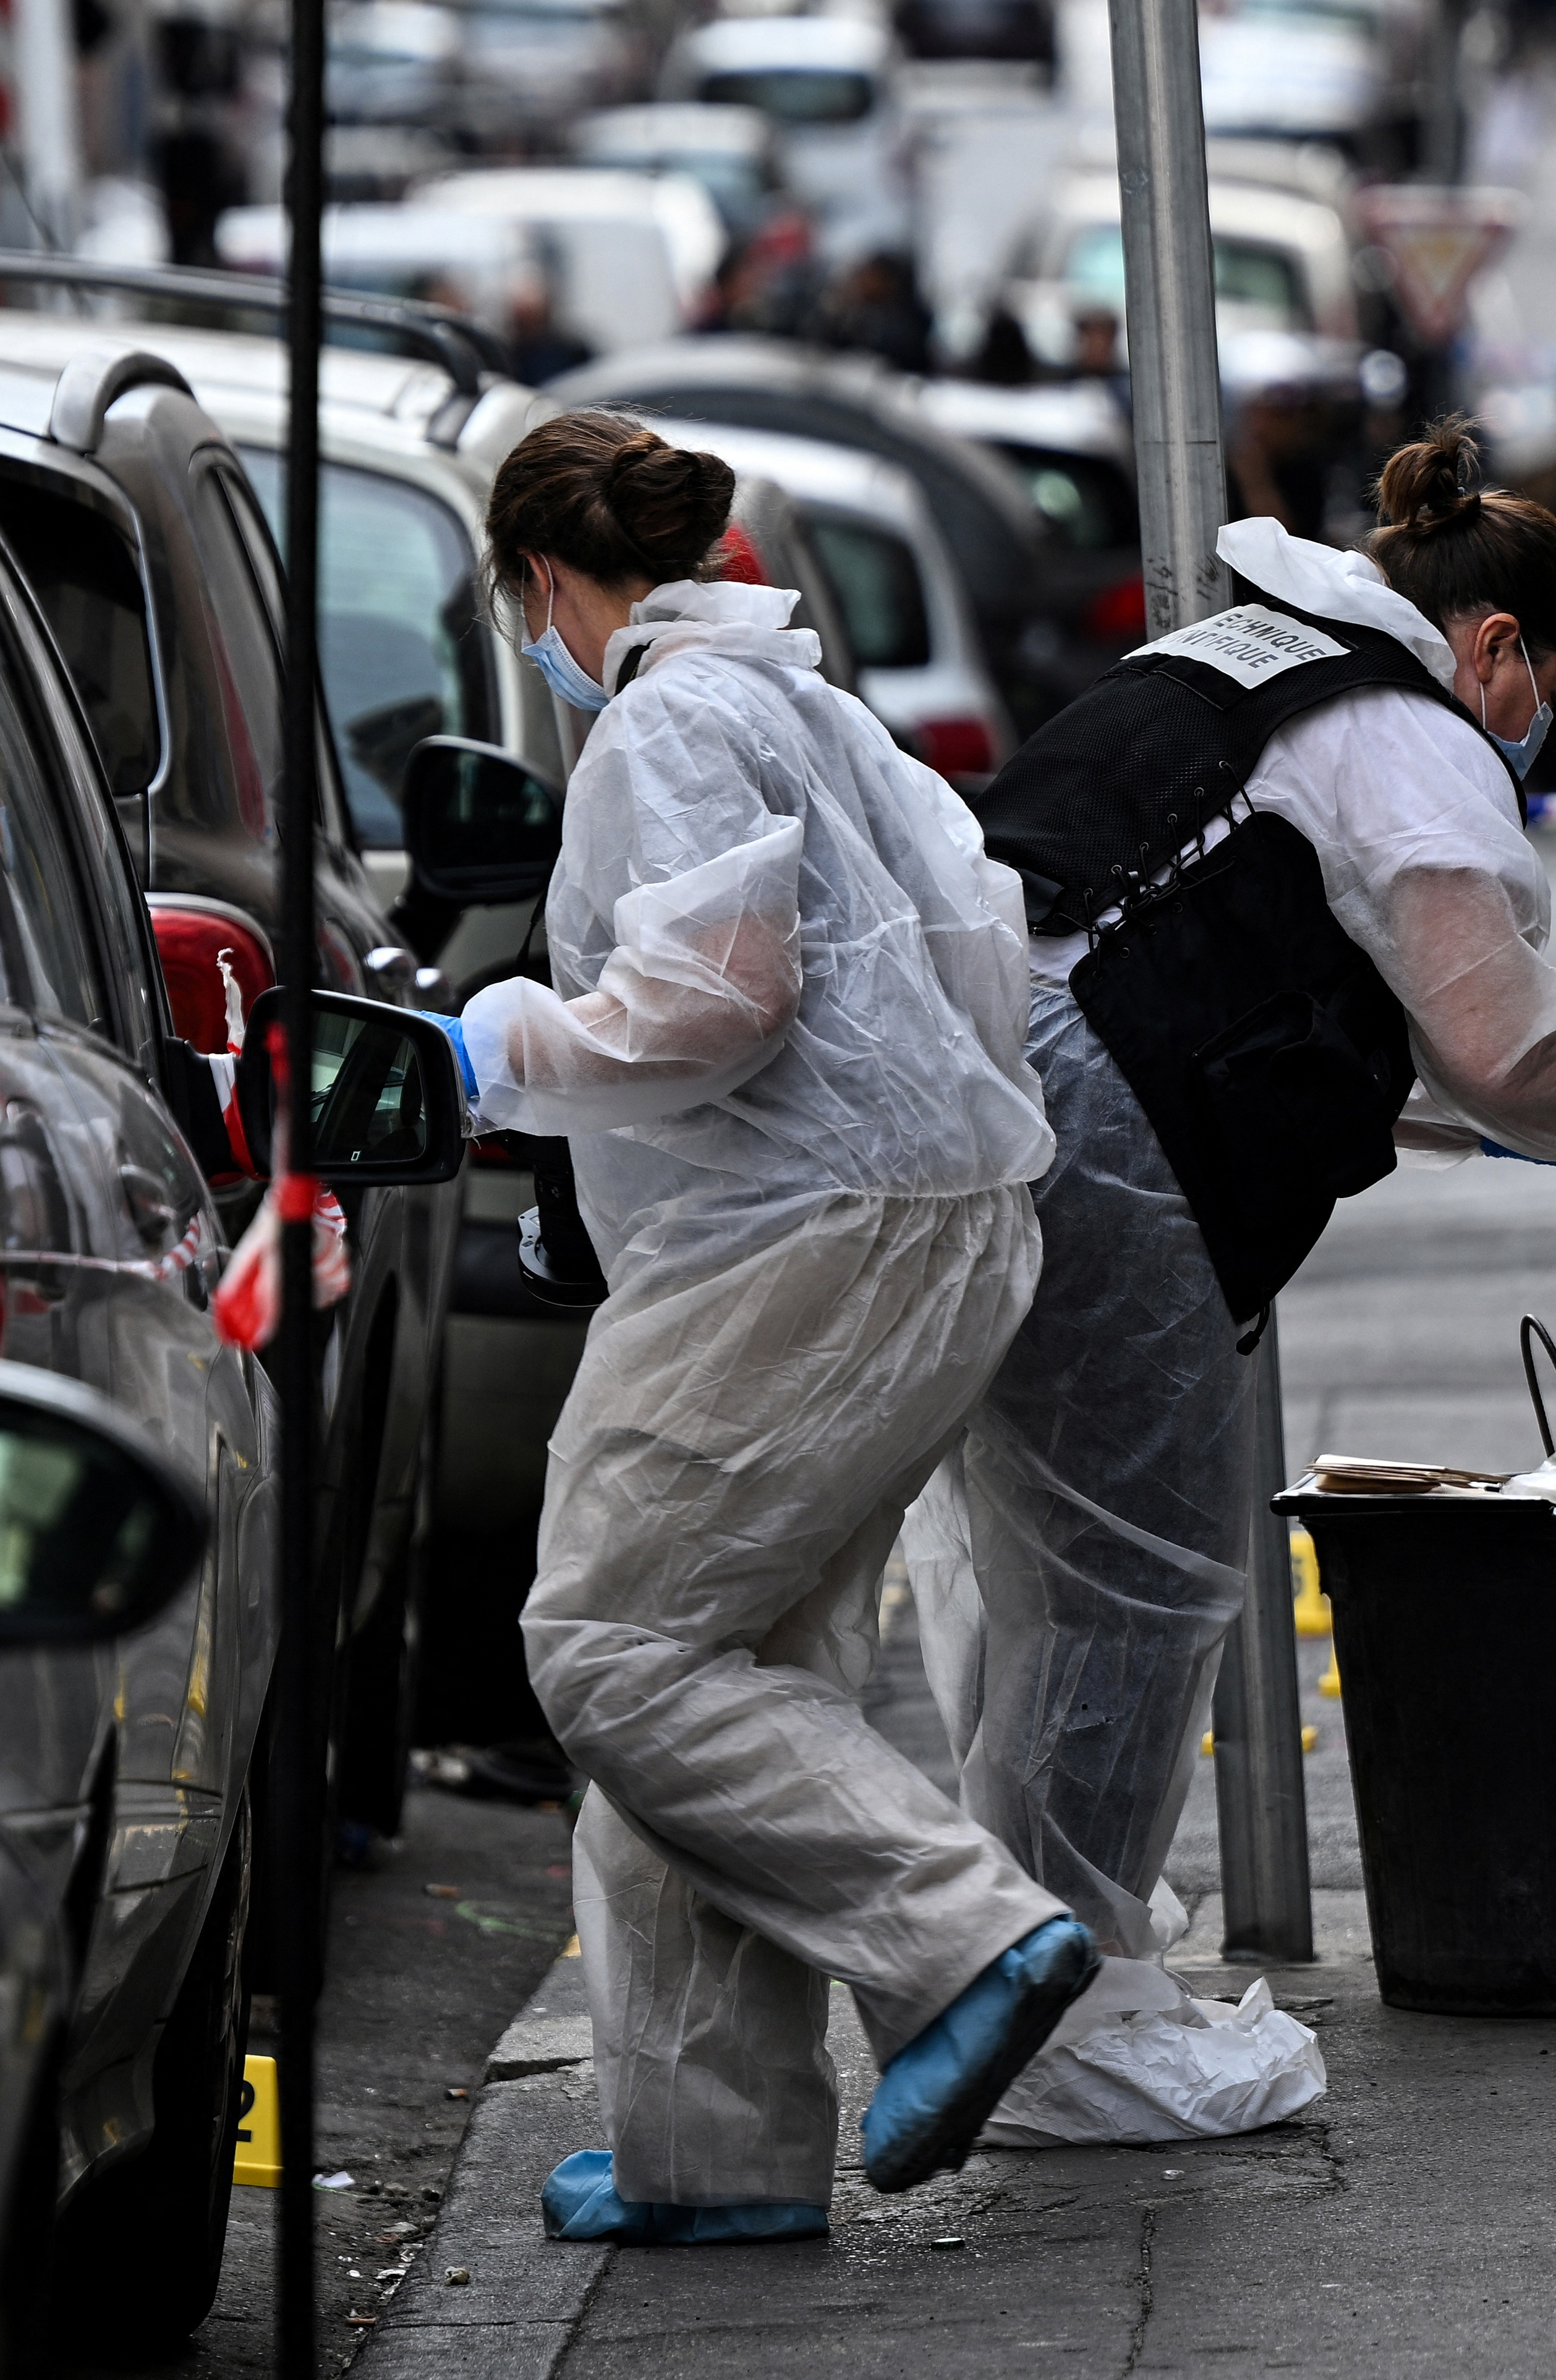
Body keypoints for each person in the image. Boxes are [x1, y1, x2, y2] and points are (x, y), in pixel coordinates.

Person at [921, 421, 1556, 2135]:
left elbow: (1302, 1000)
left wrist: (1542, 1128)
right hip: (1112, 1122)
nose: (1531, 735)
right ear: (1498, 645)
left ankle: (1025, 1961)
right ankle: (1059, 2017)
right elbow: (1503, 1039)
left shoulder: (1239, 656)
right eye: (1549, 694)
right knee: (1129, 1591)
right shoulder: (1416, 737)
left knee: (1046, 1577)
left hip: (996, 1084)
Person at [448, 414, 1099, 2243]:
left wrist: (499, 1042)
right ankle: (709, 2145)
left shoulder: (664, 720)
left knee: (612, 1651)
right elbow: (979, 952)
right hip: (930, 1218)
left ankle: (965, 1939)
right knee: (739, 1672)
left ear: (546, 581)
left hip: (799, 1243)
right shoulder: (817, 707)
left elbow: (718, 1001)